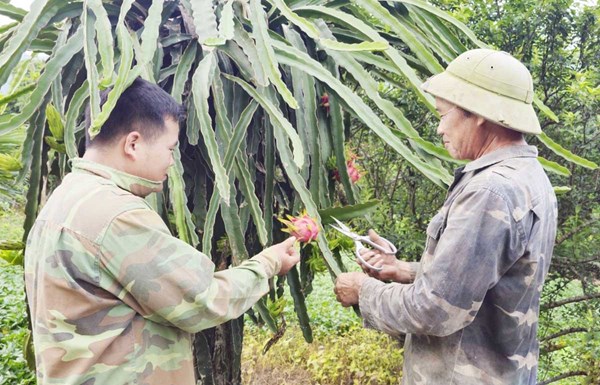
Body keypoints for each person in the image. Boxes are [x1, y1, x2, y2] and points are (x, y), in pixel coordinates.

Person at [24, 77, 300, 385]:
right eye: (170, 148)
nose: (171, 161)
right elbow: (202, 299)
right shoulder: (116, 215)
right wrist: (267, 264)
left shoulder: (66, 198)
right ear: (133, 143)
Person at [333, 49, 558, 385]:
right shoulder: (530, 177)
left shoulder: (490, 191)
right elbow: (483, 277)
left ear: (477, 113)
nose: (439, 129)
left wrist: (363, 290)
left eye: (443, 114)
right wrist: (404, 270)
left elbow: (436, 311)